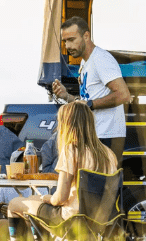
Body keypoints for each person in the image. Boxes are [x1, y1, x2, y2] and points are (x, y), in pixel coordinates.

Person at [6, 101, 118, 241]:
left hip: (71, 221)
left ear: (67, 125)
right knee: (33, 200)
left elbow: (61, 198)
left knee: (14, 204)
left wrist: (50, 199)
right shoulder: (108, 154)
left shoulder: (72, 150)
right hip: (100, 222)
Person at [51, 16, 130, 164]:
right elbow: (86, 101)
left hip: (107, 135)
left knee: (101, 186)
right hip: (94, 135)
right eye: (65, 41)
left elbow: (123, 95)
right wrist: (66, 96)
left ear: (86, 36)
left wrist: (90, 105)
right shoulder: (85, 62)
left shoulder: (101, 59)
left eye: (72, 39)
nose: (67, 46)